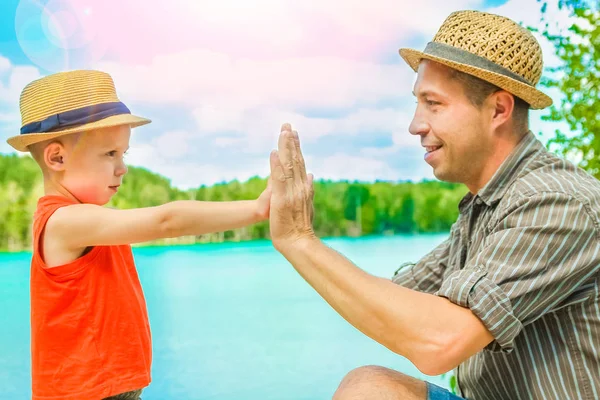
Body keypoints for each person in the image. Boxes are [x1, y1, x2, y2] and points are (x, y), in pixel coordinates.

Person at [267, 10, 600, 400]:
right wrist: (285, 219)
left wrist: (300, 240)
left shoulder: (557, 203)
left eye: (433, 104)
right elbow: (396, 301)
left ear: (498, 110)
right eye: (418, 103)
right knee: (370, 386)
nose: (415, 125)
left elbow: (438, 342)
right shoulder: (485, 208)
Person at [6, 70, 271, 400]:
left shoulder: (88, 221)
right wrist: (259, 210)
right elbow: (167, 222)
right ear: (57, 157)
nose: (123, 168)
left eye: (124, 153)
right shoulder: (65, 222)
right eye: (109, 154)